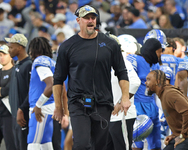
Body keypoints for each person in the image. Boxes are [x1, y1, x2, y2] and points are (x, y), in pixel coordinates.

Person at [53, 5, 130, 150]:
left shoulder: (110, 44)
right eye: (86, 18)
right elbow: (58, 79)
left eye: (93, 18)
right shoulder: (67, 46)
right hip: (78, 103)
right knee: (82, 144)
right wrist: (59, 107)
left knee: (100, 146)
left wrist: (125, 97)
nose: (90, 21)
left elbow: (122, 72)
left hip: (103, 104)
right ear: (78, 20)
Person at [145, 70, 188, 150]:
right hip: (184, 135)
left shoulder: (169, 93)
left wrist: (182, 135)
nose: (145, 83)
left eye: (148, 79)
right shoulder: (163, 93)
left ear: (157, 81)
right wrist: (174, 135)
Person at [127, 38, 162, 150]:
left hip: (152, 105)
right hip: (137, 105)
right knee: (137, 143)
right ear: (152, 50)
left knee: (156, 143)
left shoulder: (155, 65)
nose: (160, 55)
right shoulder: (134, 60)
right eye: (159, 51)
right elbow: (128, 82)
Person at [107, 34, 141, 150]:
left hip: (122, 116)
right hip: (108, 117)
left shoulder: (123, 62)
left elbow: (135, 82)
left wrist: (122, 102)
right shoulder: (103, 63)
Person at [27, 37, 55, 150]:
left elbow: (51, 84)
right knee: (45, 144)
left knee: (33, 143)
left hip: (42, 107)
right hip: (48, 105)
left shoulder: (40, 61)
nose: (29, 53)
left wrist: (38, 105)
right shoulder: (51, 62)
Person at [6, 33, 32, 150]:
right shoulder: (18, 65)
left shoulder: (28, 65)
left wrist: (22, 109)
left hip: (24, 116)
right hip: (15, 115)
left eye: (11, 47)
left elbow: (31, 91)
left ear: (20, 47)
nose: (9, 49)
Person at [0, 45, 16, 150]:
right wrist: (1, 91)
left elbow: (7, 90)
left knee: (11, 146)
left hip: (9, 116)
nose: (1, 57)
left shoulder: (15, 72)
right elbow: (3, 91)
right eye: (0, 55)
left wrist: (0, 91)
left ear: (11, 56)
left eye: (4, 54)